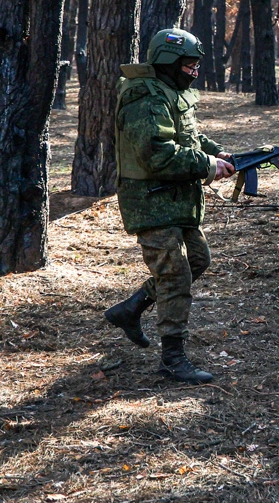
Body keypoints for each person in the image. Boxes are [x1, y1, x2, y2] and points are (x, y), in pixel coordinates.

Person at [103, 28, 235, 384]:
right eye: (189, 65)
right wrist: (206, 165)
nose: (194, 72)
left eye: (195, 65)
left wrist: (213, 151)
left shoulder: (169, 91)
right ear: (168, 61)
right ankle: (173, 360)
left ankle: (131, 309)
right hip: (150, 202)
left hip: (174, 199)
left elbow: (185, 136)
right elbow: (156, 153)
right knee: (175, 274)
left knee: (197, 260)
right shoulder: (143, 96)